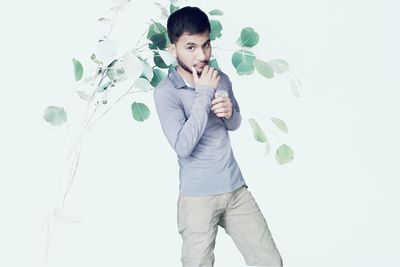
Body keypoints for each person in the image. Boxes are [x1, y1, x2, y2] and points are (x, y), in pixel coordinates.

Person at [153, 6, 283, 267]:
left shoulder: (220, 78)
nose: (202, 55)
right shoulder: (166, 92)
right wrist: (203, 94)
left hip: (235, 189)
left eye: (206, 45)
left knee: (270, 262)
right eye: (190, 47)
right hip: (198, 198)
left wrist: (229, 113)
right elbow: (183, 146)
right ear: (172, 49)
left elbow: (234, 123)